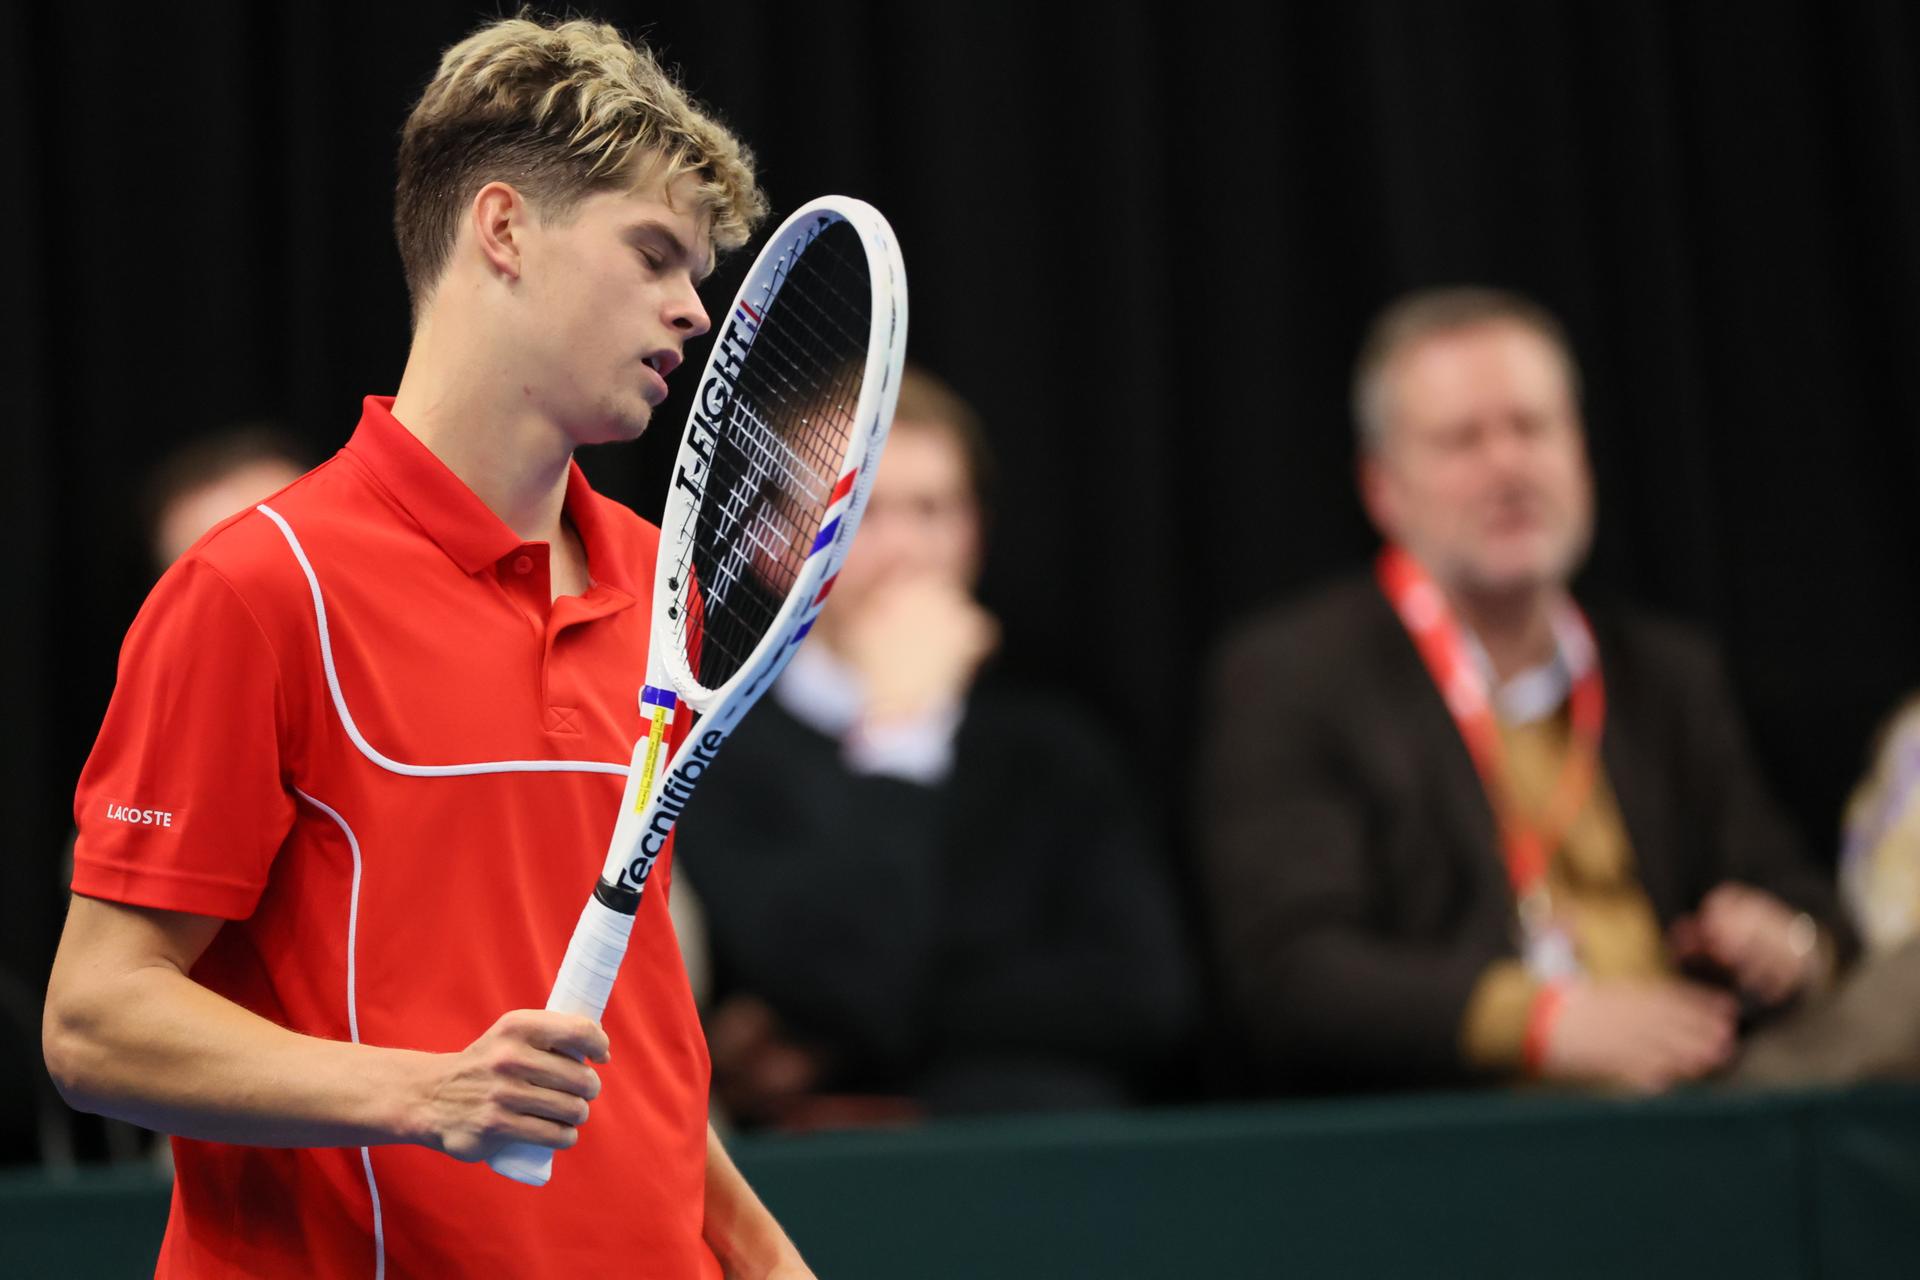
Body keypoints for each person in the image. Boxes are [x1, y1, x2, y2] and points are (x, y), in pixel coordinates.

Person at [43, 16, 813, 1278]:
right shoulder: (255, 586)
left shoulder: (653, 582)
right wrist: (426, 1091)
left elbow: (625, 1032)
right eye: (654, 252)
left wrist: (760, 1250)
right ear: (502, 229)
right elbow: (93, 1020)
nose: (693, 307)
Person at [1199, 286, 1852, 1095]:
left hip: (1713, 1088)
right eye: (1462, 441)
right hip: (1477, 1130)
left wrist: (1785, 941)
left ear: (1579, 453)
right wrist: (1538, 1022)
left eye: (1532, 428)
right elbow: (1290, 972)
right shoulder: (1297, 676)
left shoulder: (1665, 671)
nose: (1507, 465)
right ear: (1381, 488)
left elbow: (1803, 895)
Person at [678, 366, 1194, 1130]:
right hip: (829, 1187)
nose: (908, 549)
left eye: (933, 510)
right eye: (866, 512)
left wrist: (864, 1022)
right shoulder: (718, 757)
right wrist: (899, 737)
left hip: (1057, 1156)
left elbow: (1148, 1000)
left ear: (975, 532)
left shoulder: (1053, 745)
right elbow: (821, 979)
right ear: (773, 544)